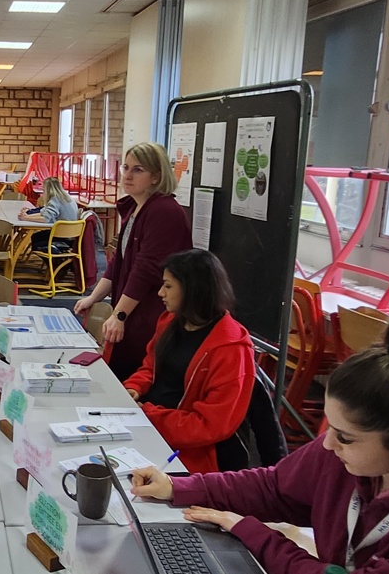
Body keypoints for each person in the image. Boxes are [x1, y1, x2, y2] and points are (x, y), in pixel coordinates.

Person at [131, 318, 389, 574]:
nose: (326, 445)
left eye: (344, 436)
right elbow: (274, 487)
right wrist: (178, 486)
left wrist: (256, 534)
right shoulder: (351, 457)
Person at [122, 249, 254, 473]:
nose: (160, 293)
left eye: (168, 286)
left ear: (193, 290)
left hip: (189, 450)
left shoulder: (231, 348)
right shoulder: (171, 321)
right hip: (151, 423)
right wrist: (134, 387)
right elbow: (151, 366)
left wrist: (149, 416)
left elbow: (210, 425)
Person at [74, 142, 192, 380]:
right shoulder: (137, 207)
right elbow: (119, 260)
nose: (127, 175)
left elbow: (145, 270)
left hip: (152, 312)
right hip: (134, 309)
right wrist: (93, 297)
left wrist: (119, 315)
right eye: (125, 168)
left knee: (138, 374)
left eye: (138, 170)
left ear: (156, 177)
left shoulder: (163, 211)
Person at [18, 177, 78, 251]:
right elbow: (43, 212)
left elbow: (46, 218)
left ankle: (53, 259)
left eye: (43, 189)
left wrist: (26, 218)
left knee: (36, 239)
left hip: (63, 236)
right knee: (37, 236)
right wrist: (27, 216)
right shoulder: (66, 197)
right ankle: (55, 259)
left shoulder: (56, 199)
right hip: (72, 234)